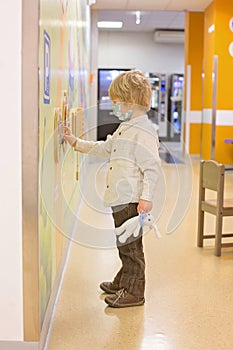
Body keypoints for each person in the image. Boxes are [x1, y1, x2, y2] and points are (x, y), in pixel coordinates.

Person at [63, 70, 161, 308]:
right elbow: (106, 148)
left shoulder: (144, 132)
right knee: (124, 244)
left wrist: (146, 199)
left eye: (116, 102)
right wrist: (77, 143)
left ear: (132, 101)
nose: (114, 107)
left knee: (131, 248)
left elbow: (152, 169)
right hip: (119, 198)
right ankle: (123, 281)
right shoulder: (125, 127)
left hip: (131, 200)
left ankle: (135, 292)